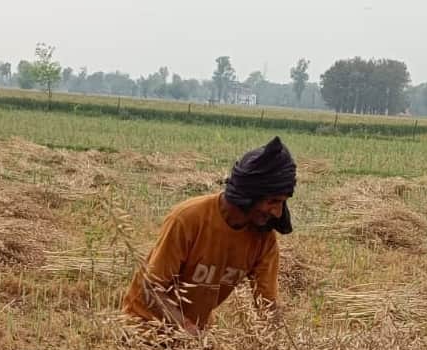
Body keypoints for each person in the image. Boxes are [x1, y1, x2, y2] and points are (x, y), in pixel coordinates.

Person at [122, 137, 297, 332]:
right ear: (249, 195)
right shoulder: (187, 219)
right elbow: (151, 289)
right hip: (144, 329)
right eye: (272, 201)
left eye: (282, 202)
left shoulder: (264, 240)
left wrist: (284, 348)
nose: (278, 212)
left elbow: (268, 306)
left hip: (193, 337)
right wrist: (186, 328)